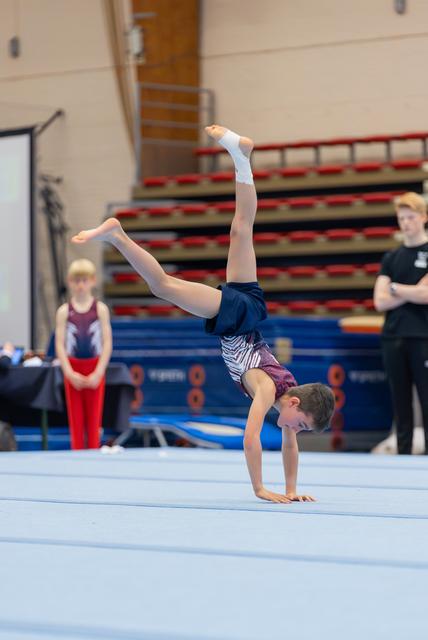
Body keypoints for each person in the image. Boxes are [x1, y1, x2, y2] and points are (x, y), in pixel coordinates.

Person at [72, 125, 335, 502]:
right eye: (303, 425)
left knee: (241, 229)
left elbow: (289, 446)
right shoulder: (267, 388)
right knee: (161, 286)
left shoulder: (287, 395)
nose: (297, 430)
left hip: (250, 310)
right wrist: (261, 489)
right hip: (237, 321)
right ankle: (118, 235)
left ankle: (241, 157)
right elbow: (250, 438)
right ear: (295, 403)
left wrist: (292, 491)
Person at [374, 192, 428, 455]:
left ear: (423, 217)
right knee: (400, 402)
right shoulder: (391, 258)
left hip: (423, 337)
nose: (406, 223)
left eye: (411, 217)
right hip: (393, 338)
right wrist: (410, 291)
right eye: (401, 218)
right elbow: (380, 301)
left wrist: (394, 289)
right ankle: (403, 457)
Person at [55, 259, 112, 449]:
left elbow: (107, 343)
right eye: (76, 280)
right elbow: (60, 345)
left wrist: (98, 372)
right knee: (76, 425)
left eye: (84, 280)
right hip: (73, 369)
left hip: (95, 367)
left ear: (93, 281)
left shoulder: (100, 309)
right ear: (70, 282)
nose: (80, 285)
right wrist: (69, 373)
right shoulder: (64, 311)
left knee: (94, 423)